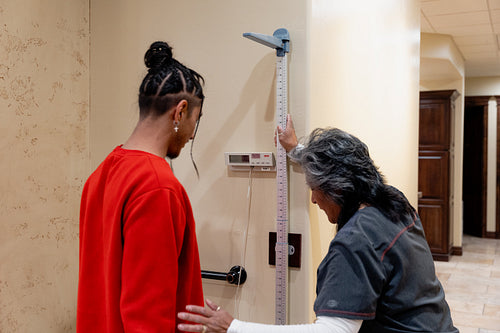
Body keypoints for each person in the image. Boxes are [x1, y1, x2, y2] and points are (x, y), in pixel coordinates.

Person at [177, 115, 458, 333]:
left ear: (338, 189)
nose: (313, 200)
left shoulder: (356, 241)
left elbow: (332, 330)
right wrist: (296, 150)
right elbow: (346, 167)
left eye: (316, 189)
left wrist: (232, 326)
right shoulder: (393, 201)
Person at [77, 41, 206, 332]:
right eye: (194, 123)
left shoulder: (101, 174)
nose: (190, 136)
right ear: (180, 111)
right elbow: (148, 314)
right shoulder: (158, 186)